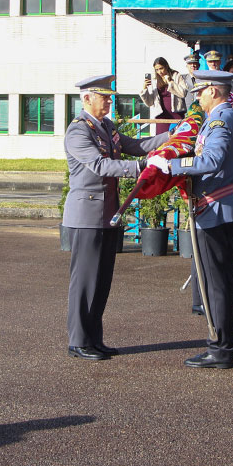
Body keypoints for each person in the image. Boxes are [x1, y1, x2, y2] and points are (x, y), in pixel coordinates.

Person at [62, 75, 168, 361]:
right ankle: (78, 341)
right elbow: (100, 165)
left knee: (101, 281)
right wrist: (143, 166)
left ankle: (94, 339)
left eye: (110, 97)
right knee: (85, 281)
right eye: (104, 97)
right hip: (86, 215)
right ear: (87, 99)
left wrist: (171, 136)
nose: (109, 101)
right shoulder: (78, 131)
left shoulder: (106, 126)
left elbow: (135, 145)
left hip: (108, 212)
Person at [147, 70, 233, 369]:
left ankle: (220, 348)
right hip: (223, 206)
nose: (198, 98)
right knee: (220, 281)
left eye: (201, 92)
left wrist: (172, 165)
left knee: (215, 284)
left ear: (213, 92)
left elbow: (211, 160)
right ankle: (221, 345)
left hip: (215, 209)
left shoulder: (220, 120)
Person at [139, 57, 187, 136]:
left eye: (161, 68)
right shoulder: (154, 80)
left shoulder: (176, 76)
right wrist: (144, 89)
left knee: (177, 138)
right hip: (161, 116)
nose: (159, 72)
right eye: (157, 70)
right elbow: (149, 103)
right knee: (161, 139)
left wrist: (170, 82)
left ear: (166, 66)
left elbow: (183, 93)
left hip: (177, 114)